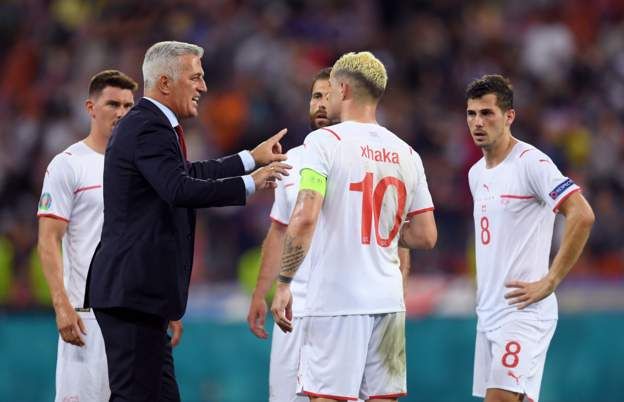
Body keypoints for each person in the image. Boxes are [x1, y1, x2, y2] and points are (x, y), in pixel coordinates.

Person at [85, 41, 290, 402]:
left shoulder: (150, 126)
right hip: (132, 294)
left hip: (141, 296)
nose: (204, 87)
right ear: (165, 83)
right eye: (196, 78)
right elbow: (179, 188)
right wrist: (250, 184)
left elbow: (186, 172)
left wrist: (248, 159)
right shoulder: (147, 126)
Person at [271, 52, 437, 402]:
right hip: (389, 300)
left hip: (337, 300)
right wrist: (385, 227)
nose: (325, 98)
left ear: (342, 89)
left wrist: (284, 282)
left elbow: (304, 216)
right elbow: (425, 235)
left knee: (327, 397)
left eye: (328, 90)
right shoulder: (406, 152)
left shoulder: (324, 142)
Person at [465, 75, 595, 402]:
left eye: (487, 113)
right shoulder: (476, 173)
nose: (478, 122)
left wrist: (551, 280)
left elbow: (582, 214)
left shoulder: (531, 163)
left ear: (509, 116)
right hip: (489, 312)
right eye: (472, 114)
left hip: (524, 312)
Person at [37, 70, 138, 402]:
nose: (121, 112)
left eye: (128, 105)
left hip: (133, 313)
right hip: (86, 315)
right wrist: (61, 306)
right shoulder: (68, 165)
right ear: (91, 107)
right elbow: (49, 239)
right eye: (112, 103)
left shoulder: (141, 167)